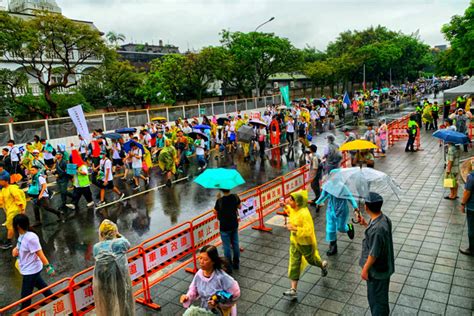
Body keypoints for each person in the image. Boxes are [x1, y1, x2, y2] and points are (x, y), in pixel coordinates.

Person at [282, 190, 328, 300]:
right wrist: (285, 207)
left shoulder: (304, 213)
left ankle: (322, 265)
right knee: (294, 263)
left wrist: (295, 228)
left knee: (312, 260)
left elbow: (308, 230)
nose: (288, 201)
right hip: (295, 242)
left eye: (291, 200)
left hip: (306, 244)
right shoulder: (295, 209)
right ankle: (293, 290)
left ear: (297, 202)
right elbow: (291, 213)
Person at [357, 192, 394, 316]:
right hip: (384, 268)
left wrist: (365, 269)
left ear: (366, 207)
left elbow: (374, 253)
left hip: (377, 271)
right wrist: (365, 224)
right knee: (381, 297)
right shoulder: (383, 219)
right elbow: (378, 239)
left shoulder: (376, 229)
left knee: (377, 300)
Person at [180, 245, 240, 316]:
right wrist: (187, 297)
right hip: (205, 309)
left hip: (219, 311)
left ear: (213, 261)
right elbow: (193, 289)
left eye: (205, 259)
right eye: (200, 258)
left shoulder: (221, 277)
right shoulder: (199, 274)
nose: (201, 262)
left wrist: (219, 302)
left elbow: (236, 293)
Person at [11, 214, 56, 309]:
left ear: (18, 226)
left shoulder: (31, 238)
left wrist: (48, 267)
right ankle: (56, 300)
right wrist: (15, 250)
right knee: (42, 286)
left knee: (25, 299)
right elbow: (21, 245)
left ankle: (23, 311)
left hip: (31, 271)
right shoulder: (22, 235)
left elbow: (40, 253)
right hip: (27, 269)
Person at [93, 219, 134, 316]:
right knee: (124, 300)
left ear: (102, 234)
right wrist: (118, 234)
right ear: (114, 232)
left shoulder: (96, 247)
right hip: (120, 278)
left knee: (108, 304)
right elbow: (128, 245)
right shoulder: (120, 243)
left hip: (103, 282)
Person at [315, 169, 358, 256]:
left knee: (340, 228)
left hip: (342, 210)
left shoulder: (343, 187)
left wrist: (355, 208)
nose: (333, 177)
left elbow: (350, 197)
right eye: (332, 175)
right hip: (331, 210)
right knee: (330, 228)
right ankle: (333, 246)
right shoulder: (327, 185)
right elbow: (324, 195)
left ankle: (349, 227)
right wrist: (318, 203)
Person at [214, 189, 241, 273]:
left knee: (226, 246)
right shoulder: (234, 197)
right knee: (235, 243)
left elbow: (215, 211)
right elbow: (239, 207)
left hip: (224, 227)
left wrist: (218, 199)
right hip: (234, 224)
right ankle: (236, 263)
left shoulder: (220, 200)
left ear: (221, 190)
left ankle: (228, 266)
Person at [0, 171, 26, 249]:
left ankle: (8, 242)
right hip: (9, 210)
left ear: (6, 181)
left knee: (10, 225)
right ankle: (25, 238)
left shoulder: (12, 189)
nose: (0, 182)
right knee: (19, 226)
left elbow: (19, 199)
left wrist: (22, 210)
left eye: (1, 181)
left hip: (14, 210)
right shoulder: (4, 189)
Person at [459, 161, 474, 256]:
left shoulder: (471, 177)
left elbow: (467, 192)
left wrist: (462, 204)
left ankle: (472, 249)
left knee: (472, 228)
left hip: (472, 207)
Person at [307, 144, 322, 211]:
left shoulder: (315, 157)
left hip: (315, 174)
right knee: (315, 186)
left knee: (314, 186)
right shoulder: (315, 155)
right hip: (316, 174)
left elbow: (315, 168)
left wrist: (313, 177)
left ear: (311, 149)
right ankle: (317, 198)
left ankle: (318, 200)